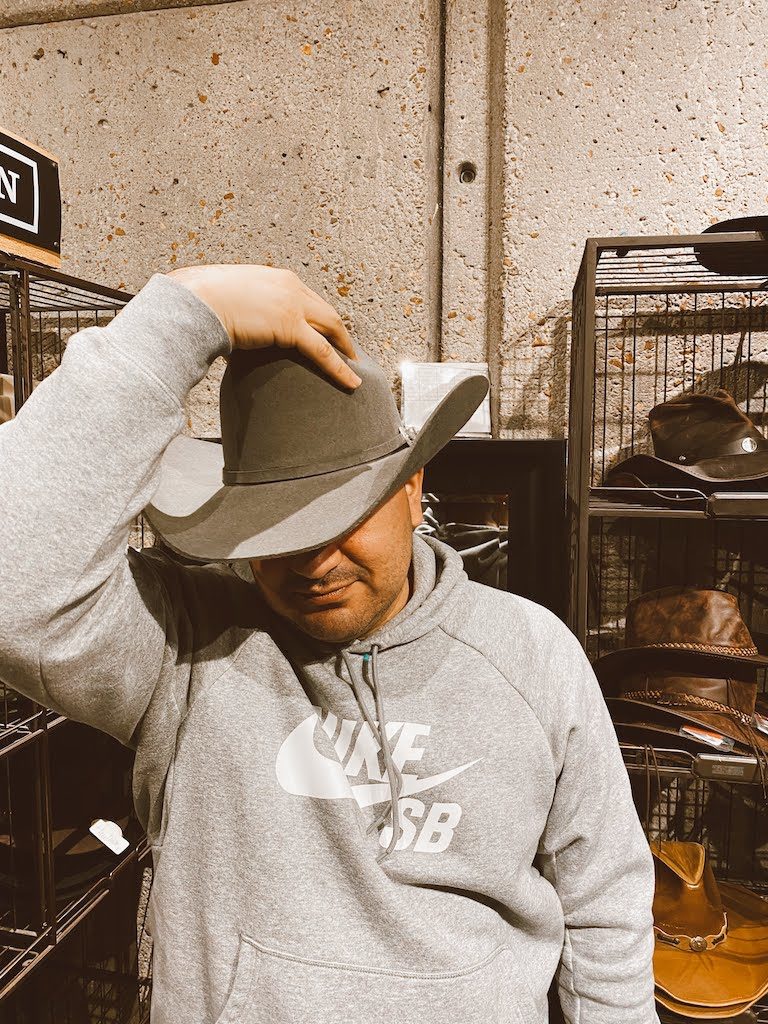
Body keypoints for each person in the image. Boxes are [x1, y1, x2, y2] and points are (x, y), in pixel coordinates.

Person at [0, 265, 658, 1024]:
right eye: (277, 530)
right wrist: (183, 315)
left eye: (342, 514)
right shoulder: (183, 650)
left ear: (413, 492)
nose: (311, 562)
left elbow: (601, 895)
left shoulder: (532, 653)